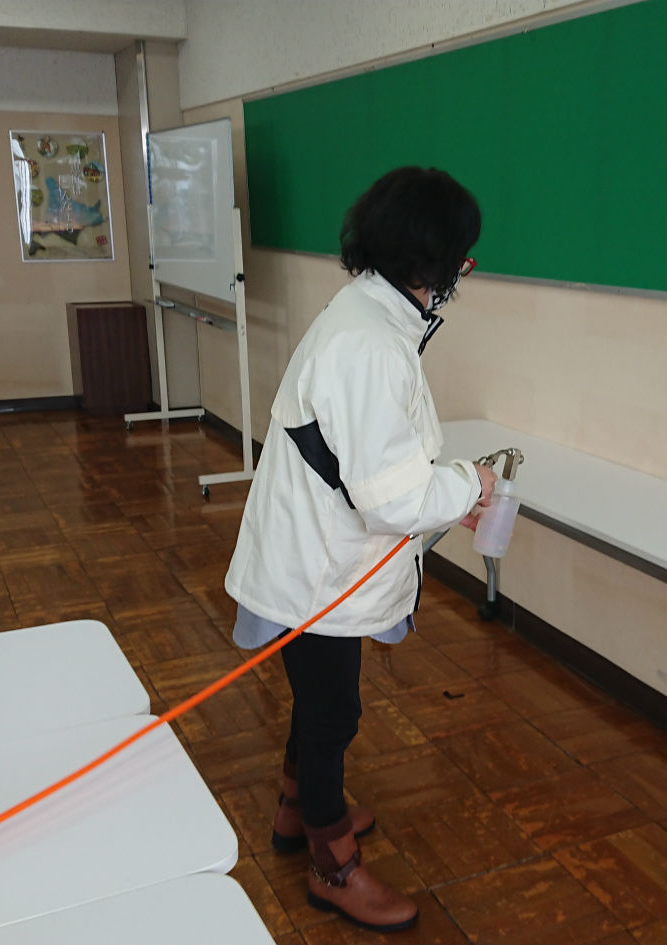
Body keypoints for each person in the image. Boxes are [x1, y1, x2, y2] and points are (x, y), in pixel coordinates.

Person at [223, 166, 494, 932]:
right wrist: (468, 485)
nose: (464, 272)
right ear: (436, 262)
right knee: (332, 711)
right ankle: (332, 866)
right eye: (463, 259)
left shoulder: (364, 315)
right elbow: (391, 497)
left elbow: (375, 466)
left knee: (320, 701)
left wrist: (445, 492)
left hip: (314, 555)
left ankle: (295, 807)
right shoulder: (372, 343)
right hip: (318, 571)